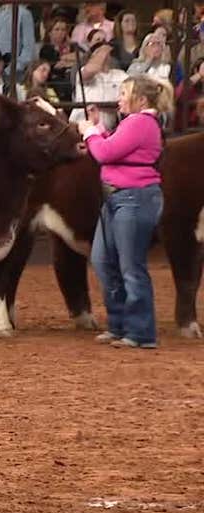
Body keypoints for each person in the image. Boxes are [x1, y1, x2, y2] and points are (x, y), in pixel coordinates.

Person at [77, 75, 175, 349]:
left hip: (132, 198)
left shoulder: (140, 121)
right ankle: (120, 324)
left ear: (141, 100)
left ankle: (140, 331)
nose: (119, 98)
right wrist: (97, 130)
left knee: (130, 266)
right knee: (103, 260)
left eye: (124, 93)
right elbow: (113, 146)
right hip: (120, 198)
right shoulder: (137, 123)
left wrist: (90, 132)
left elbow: (106, 152)